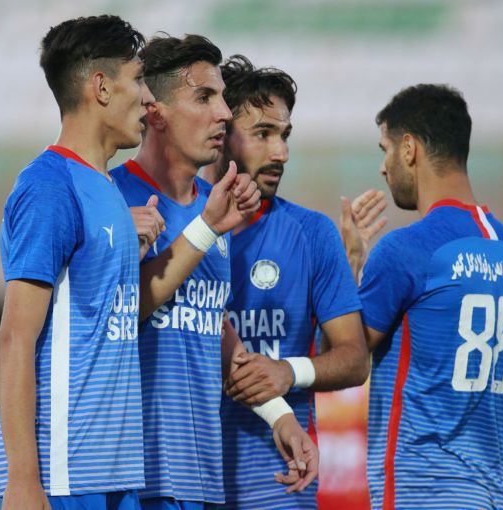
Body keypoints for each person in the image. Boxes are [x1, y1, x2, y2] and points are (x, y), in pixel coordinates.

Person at [109, 36, 318, 510]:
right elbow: (120, 309)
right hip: (133, 476)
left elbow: (210, 322)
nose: (224, 113)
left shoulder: (215, 207)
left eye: (222, 98)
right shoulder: (113, 198)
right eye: (205, 97)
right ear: (155, 112)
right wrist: (205, 229)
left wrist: (280, 415)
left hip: (199, 475)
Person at [360, 84, 503, 509]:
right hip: (487, 499)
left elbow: (345, 355)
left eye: (385, 149)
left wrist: (346, 261)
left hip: (419, 495)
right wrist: (490, 479)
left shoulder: (406, 249)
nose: (383, 167)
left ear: (409, 148)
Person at [0, 15, 165, 510]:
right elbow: (15, 336)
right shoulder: (49, 185)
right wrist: (24, 480)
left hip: (115, 469)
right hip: (62, 472)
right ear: (102, 87)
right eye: (138, 80)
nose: (148, 99)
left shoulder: (105, 188)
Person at [200, 55, 368, 509]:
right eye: (263, 134)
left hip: (279, 483)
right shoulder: (179, 228)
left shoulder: (312, 233)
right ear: (221, 133)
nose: (281, 153)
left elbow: (355, 358)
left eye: (285, 135)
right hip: (187, 478)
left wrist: (288, 371)